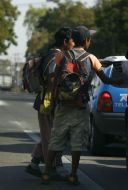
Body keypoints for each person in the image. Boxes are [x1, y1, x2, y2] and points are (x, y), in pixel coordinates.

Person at [41, 25, 123, 185]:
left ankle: (46, 173)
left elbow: (53, 76)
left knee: (56, 139)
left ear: (73, 40)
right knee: (77, 142)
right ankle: (72, 175)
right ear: (86, 41)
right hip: (80, 105)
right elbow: (105, 79)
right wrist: (118, 81)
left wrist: (55, 97)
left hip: (63, 105)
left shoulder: (62, 55)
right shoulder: (91, 58)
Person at [25, 27, 75, 178]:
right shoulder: (56, 56)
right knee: (51, 137)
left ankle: (34, 164)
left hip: (47, 100)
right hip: (48, 101)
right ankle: (51, 169)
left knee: (49, 135)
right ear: (65, 41)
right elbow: (52, 78)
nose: (74, 43)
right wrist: (55, 98)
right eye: (72, 40)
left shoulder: (54, 54)